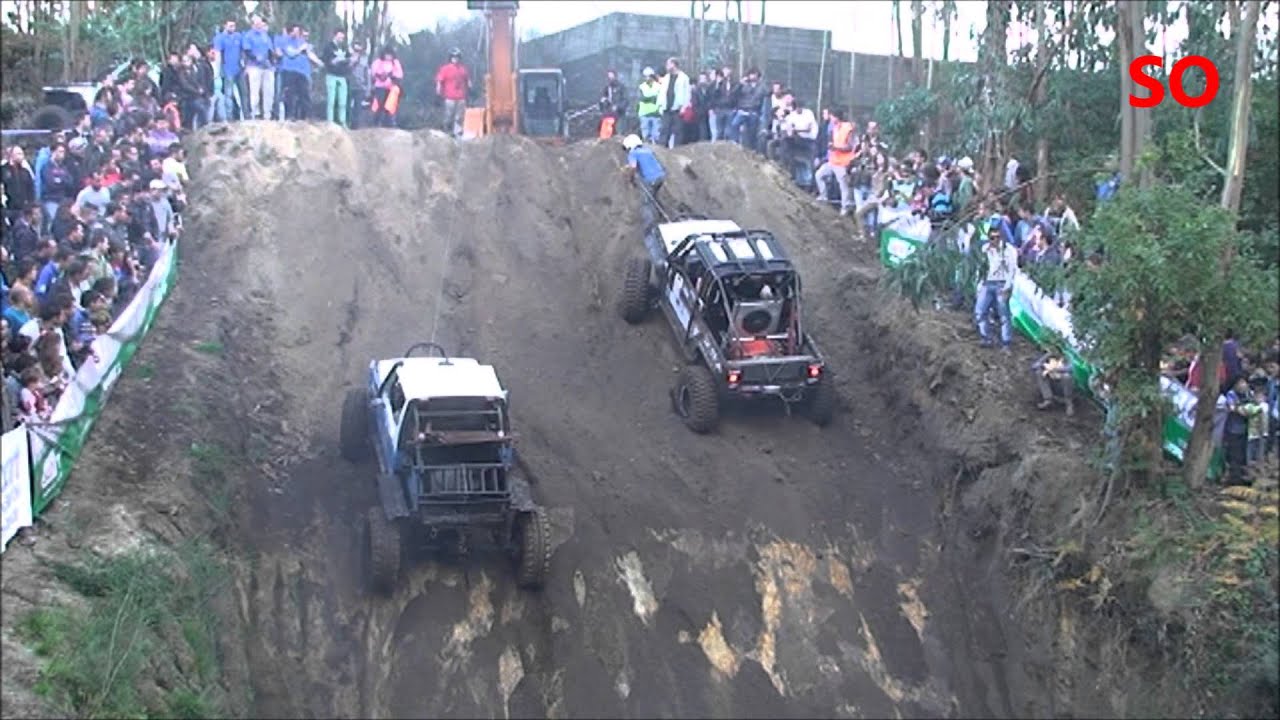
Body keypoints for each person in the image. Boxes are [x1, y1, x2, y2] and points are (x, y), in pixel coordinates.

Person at [975, 221, 1018, 352]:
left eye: (997, 237)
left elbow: (1012, 269)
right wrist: (978, 285)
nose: (994, 240)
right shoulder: (985, 250)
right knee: (980, 311)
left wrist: (1008, 286)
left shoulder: (1009, 250)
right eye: (991, 238)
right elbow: (980, 268)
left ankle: (1006, 342)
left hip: (1001, 283)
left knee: (1004, 314)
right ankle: (986, 336)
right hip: (987, 283)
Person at [814, 106, 855, 216]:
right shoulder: (834, 128)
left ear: (836, 117)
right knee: (819, 175)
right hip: (833, 160)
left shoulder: (848, 128)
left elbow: (850, 146)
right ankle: (823, 197)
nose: (830, 118)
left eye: (832, 116)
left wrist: (836, 148)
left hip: (842, 162)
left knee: (843, 186)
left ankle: (845, 207)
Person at [242, 14, 276, 120]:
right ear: (252, 24)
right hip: (254, 66)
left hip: (267, 66)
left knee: (269, 91)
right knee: (255, 91)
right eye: (257, 23)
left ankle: (267, 114)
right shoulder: (248, 36)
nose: (259, 25)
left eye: (260, 23)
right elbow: (247, 51)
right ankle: (255, 113)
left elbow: (270, 50)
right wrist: (256, 57)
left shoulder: (265, 35)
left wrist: (272, 63)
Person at [212, 19, 246, 120]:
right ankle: (230, 117)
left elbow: (243, 51)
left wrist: (244, 64)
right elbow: (218, 55)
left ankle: (247, 116)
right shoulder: (219, 38)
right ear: (225, 26)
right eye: (230, 26)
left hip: (239, 69)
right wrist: (217, 71)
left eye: (234, 26)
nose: (232, 28)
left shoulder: (238, 36)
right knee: (229, 94)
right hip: (227, 70)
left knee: (244, 93)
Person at [656, 57, 690, 149]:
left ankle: (676, 149)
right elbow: (662, 92)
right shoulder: (666, 78)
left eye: (668, 64)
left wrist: (684, 107)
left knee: (678, 131)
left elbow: (687, 94)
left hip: (677, 109)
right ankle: (662, 148)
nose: (667, 66)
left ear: (674, 65)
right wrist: (660, 105)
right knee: (664, 130)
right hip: (666, 108)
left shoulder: (684, 78)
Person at [435, 48, 470, 138]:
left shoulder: (463, 69)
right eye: (454, 57)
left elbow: (467, 80)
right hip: (449, 97)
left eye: (457, 57)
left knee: (459, 117)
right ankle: (447, 132)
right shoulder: (445, 69)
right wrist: (438, 89)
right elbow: (440, 80)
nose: (455, 59)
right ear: (450, 58)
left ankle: (458, 133)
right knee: (448, 116)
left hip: (461, 97)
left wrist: (469, 85)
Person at [321, 29, 352, 127]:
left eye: (342, 37)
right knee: (331, 100)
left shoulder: (344, 48)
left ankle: (342, 121)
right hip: (331, 75)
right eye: (339, 37)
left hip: (342, 76)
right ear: (334, 36)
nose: (341, 39)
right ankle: (330, 121)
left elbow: (349, 60)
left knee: (343, 101)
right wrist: (337, 60)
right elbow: (328, 61)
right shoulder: (328, 47)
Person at [1032, 351, 1075, 416]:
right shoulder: (1049, 355)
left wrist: (1055, 369)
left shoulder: (1068, 357)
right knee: (1039, 372)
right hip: (1051, 382)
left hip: (1061, 386)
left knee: (1067, 377)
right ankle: (1048, 399)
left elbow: (1070, 368)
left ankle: (1068, 404)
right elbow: (1034, 366)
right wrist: (1044, 366)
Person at [370, 47, 404, 128]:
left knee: (390, 106)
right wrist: (381, 75)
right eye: (387, 55)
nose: (388, 57)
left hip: (391, 88)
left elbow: (400, 74)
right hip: (380, 87)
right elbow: (373, 73)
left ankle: (391, 124)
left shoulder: (395, 63)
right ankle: (376, 124)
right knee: (379, 105)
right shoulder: (378, 62)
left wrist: (391, 75)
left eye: (390, 55)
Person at [598, 69, 626, 139]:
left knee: (619, 132)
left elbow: (625, 100)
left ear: (615, 76)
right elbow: (604, 97)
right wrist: (603, 101)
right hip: (609, 112)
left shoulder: (621, 87)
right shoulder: (607, 87)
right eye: (609, 77)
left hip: (619, 113)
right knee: (607, 128)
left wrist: (618, 106)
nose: (610, 79)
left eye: (612, 76)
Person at [636, 68, 661, 144]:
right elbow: (640, 98)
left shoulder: (658, 86)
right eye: (645, 76)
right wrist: (651, 98)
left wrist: (648, 99)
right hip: (644, 113)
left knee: (656, 134)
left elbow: (659, 98)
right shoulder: (641, 87)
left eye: (648, 76)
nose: (647, 78)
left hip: (655, 113)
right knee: (645, 133)